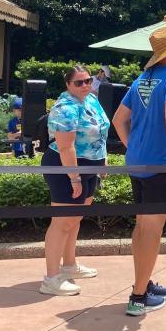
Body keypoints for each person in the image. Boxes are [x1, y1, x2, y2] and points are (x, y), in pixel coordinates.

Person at [112, 25, 166, 316]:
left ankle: (144, 283)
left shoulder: (141, 80)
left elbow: (118, 119)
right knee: (152, 228)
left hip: (138, 163)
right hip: (161, 165)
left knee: (142, 226)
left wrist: (133, 147)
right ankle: (137, 296)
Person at [38, 65, 110, 296]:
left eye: (88, 80)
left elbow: (100, 131)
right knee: (62, 223)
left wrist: (103, 160)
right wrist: (74, 178)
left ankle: (69, 265)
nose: (85, 85)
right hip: (66, 168)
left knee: (75, 218)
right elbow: (66, 147)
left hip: (89, 166)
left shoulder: (91, 100)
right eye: (79, 82)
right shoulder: (65, 107)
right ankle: (51, 278)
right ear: (68, 84)